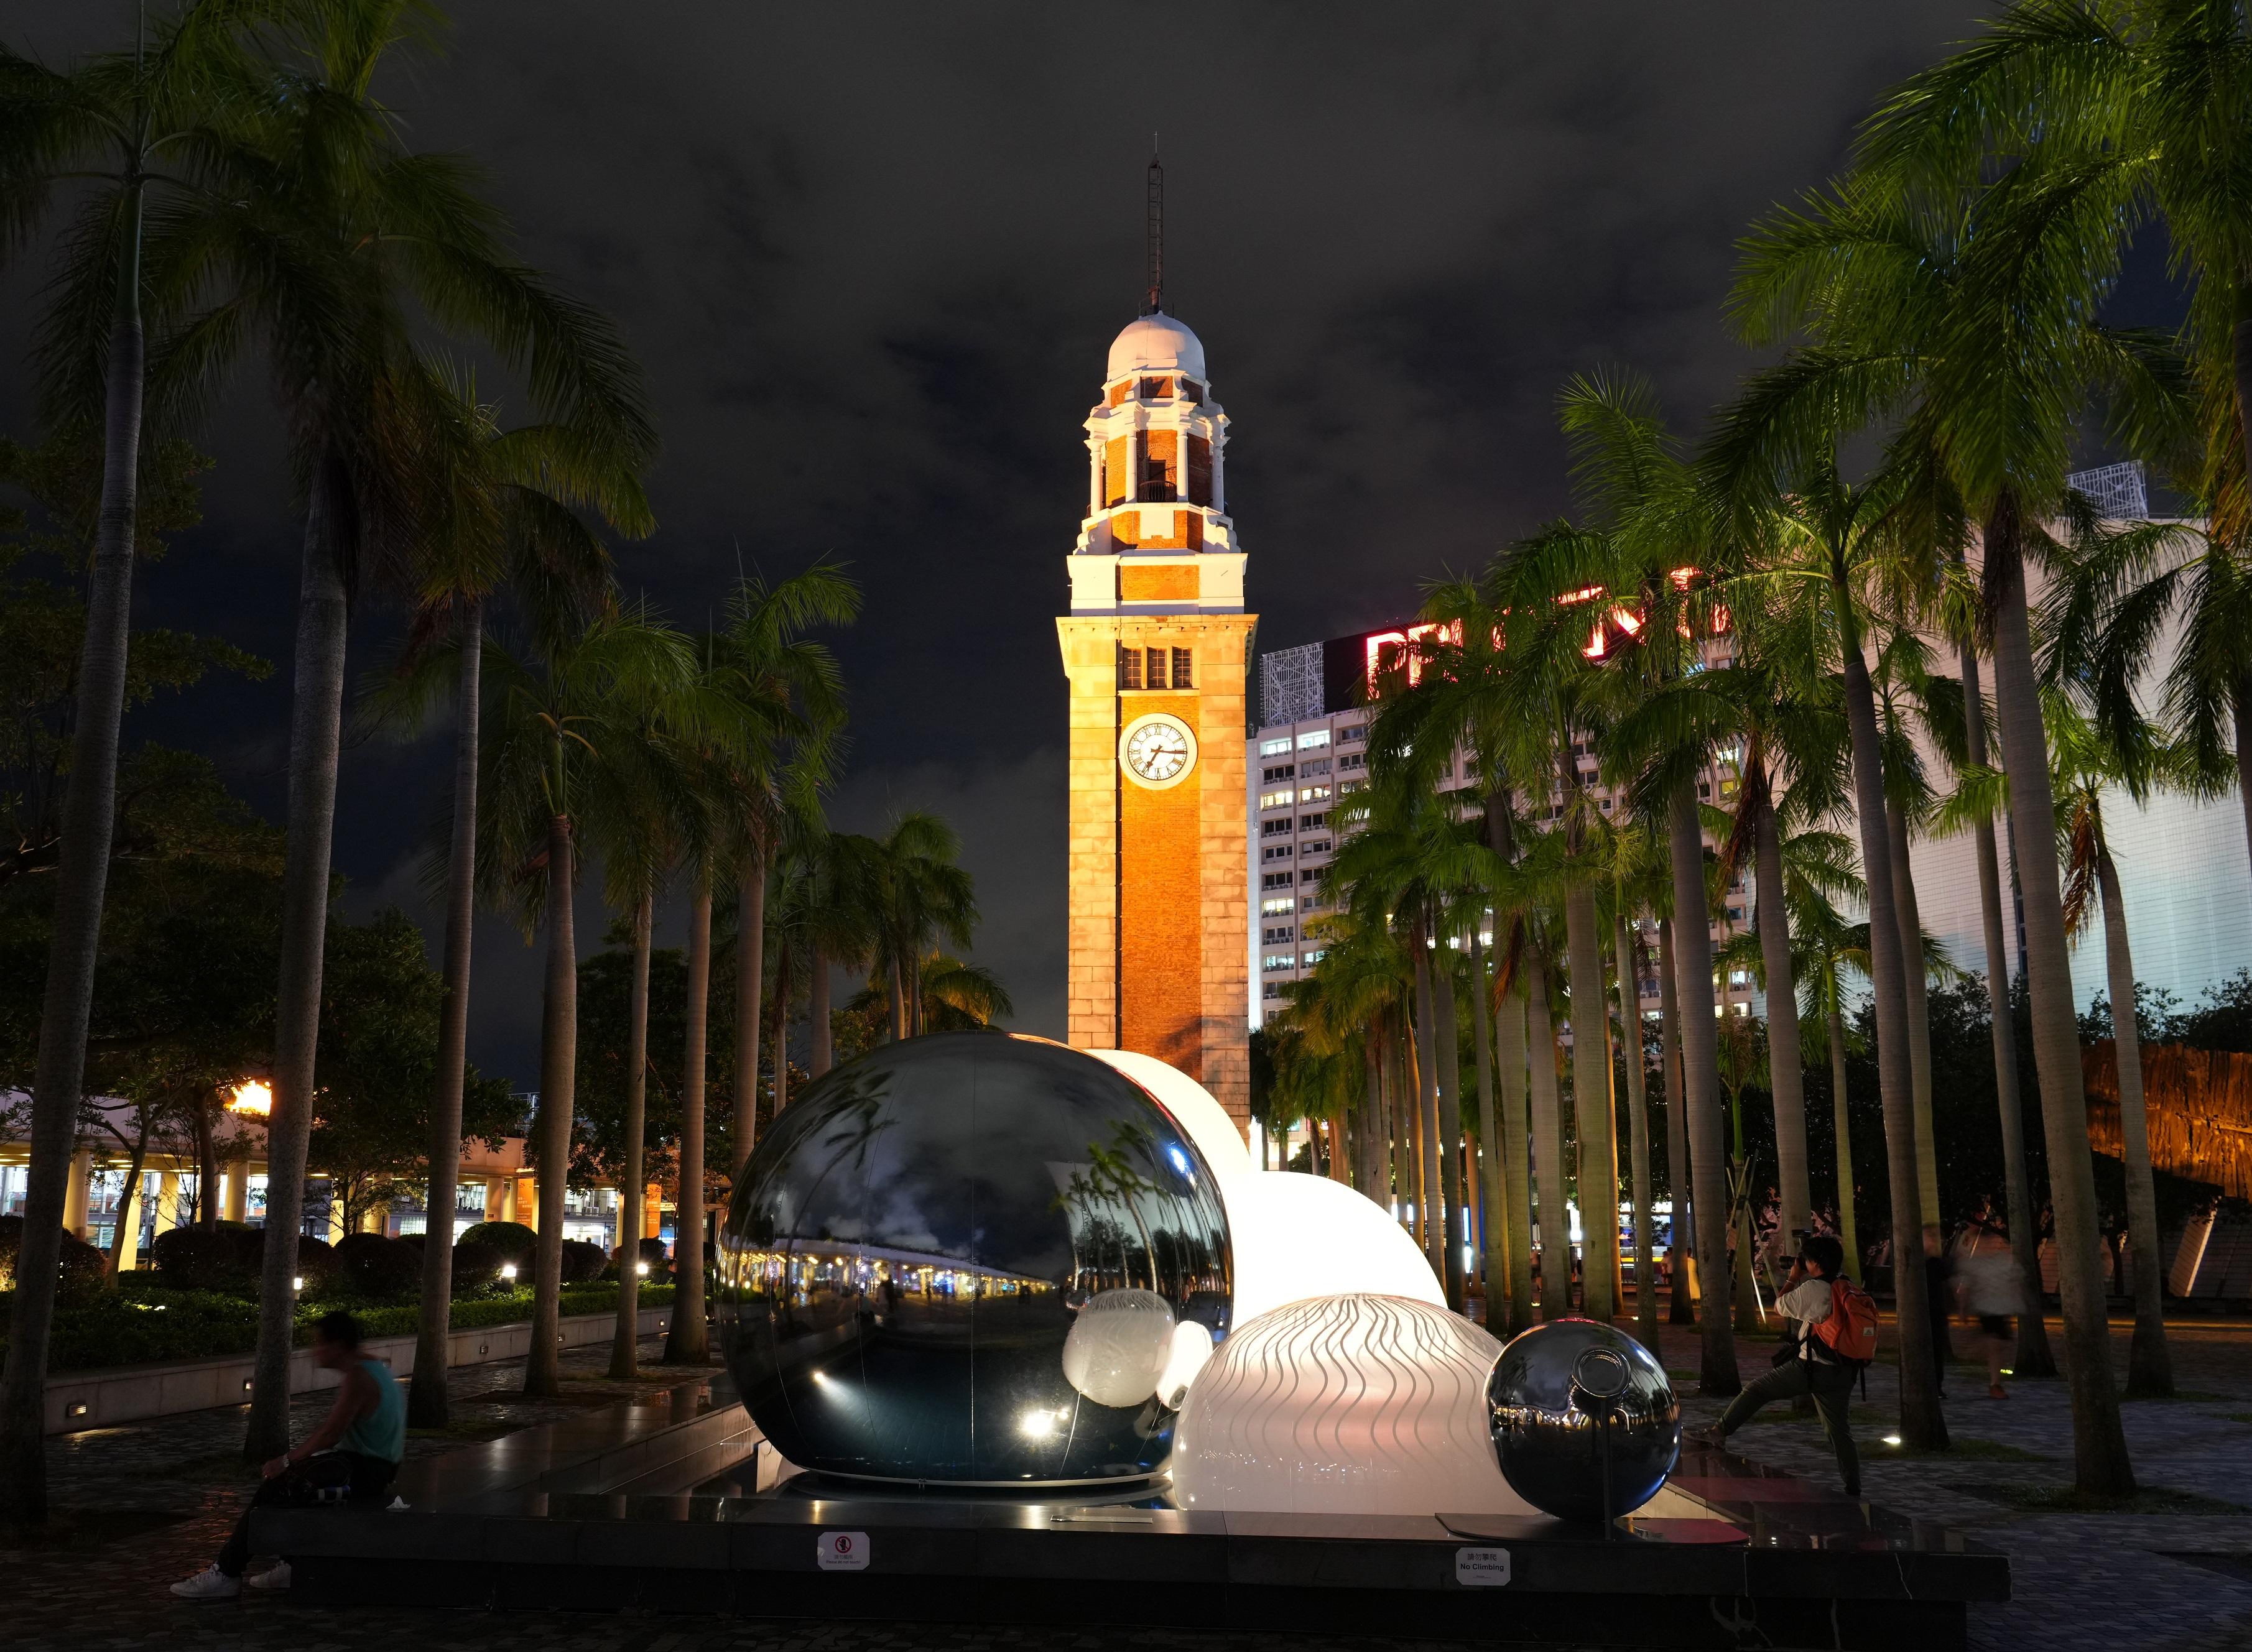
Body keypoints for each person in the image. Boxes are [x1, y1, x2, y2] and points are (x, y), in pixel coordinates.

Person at [170, 1310, 404, 1600]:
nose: (313, 1350)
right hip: (376, 1468)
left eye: (319, 1343)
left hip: (366, 1473)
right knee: (296, 1482)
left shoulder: (359, 1377)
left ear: (338, 1345)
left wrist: (285, 1460)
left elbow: (332, 1433)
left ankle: (227, 1572)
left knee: (280, 1486)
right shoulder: (373, 1369)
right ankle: (292, 1563)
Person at [1693, 1234, 1860, 1498]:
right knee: (1839, 1431)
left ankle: (1719, 1432)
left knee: (1756, 1390)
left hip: (1812, 1368)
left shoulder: (1815, 1288)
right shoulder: (1847, 1286)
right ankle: (1853, 1485)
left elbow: (1781, 1306)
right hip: (1846, 1370)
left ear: (1814, 1262)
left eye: (1806, 1260)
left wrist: (1794, 1277)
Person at [1954, 1218, 2022, 1400]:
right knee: (1995, 1344)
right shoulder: (1976, 1263)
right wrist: (1963, 1309)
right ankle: (1995, 1383)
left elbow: (2015, 1280)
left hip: (2001, 1307)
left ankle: (1993, 1377)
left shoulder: (2002, 1260)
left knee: (1999, 1344)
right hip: (1986, 1307)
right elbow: (1966, 1286)